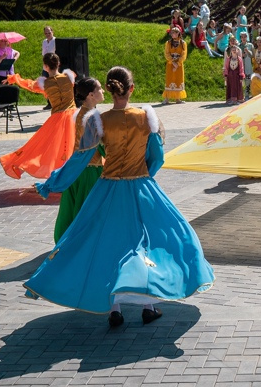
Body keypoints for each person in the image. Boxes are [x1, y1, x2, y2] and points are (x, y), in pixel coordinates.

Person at [24, 66, 213, 325]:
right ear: (131, 88)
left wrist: (50, 185)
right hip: (140, 188)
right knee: (146, 242)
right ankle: (148, 305)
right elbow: (157, 157)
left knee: (107, 244)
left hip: (107, 189)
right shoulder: (146, 117)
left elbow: (78, 160)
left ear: (110, 90)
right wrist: (145, 173)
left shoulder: (97, 121)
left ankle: (115, 309)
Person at [36, 77, 105, 243]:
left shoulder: (82, 112)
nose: (103, 91)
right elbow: (99, 146)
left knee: (75, 209)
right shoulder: (92, 117)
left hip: (78, 169)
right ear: (91, 95)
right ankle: (82, 244)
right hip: (89, 171)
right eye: (100, 89)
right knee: (88, 210)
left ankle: (71, 242)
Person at [0, 53, 77, 179]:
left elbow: (28, 84)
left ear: (45, 66)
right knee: (75, 145)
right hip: (74, 116)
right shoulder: (69, 77)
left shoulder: (45, 84)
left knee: (46, 147)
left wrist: (14, 78)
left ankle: (61, 175)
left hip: (58, 118)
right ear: (58, 64)